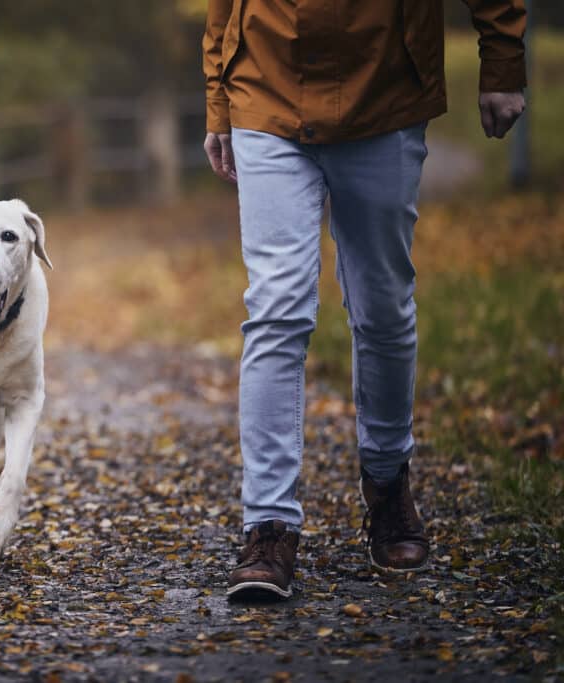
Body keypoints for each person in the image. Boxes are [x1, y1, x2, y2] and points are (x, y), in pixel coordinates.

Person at [202, 0, 527, 600]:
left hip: (385, 90)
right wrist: (218, 101)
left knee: (382, 306)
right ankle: (268, 523)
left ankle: (386, 482)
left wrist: (501, 59)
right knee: (275, 308)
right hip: (265, 88)